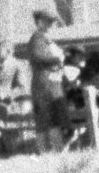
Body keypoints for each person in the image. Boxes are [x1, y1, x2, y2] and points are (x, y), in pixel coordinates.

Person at [26, 8, 69, 151]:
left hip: (50, 83)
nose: (51, 25)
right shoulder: (37, 38)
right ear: (39, 22)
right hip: (43, 83)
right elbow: (38, 57)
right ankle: (46, 151)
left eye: (52, 22)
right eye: (47, 22)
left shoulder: (46, 39)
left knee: (52, 117)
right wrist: (57, 59)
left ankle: (55, 150)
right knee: (46, 117)